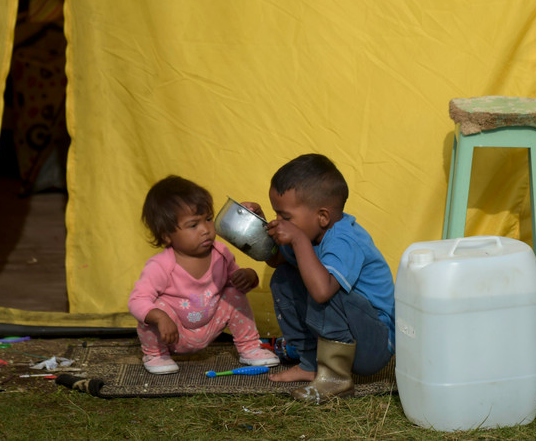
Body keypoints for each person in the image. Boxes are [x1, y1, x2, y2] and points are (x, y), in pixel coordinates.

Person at [243, 154, 395, 403]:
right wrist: (259, 226)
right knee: (283, 277)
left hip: (374, 345)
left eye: (286, 217)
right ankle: (311, 363)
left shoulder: (345, 240)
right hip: (349, 335)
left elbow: (322, 291)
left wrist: (298, 239)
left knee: (324, 289)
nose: (280, 222)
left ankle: (336, 379)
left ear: (322, 217)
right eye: (276, 215)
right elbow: (276, 260)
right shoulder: (310, 234)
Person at [128, 175, 279, 375]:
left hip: (208, 327)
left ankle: (249, 347)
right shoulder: (161, 265)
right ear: (166, 235)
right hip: (172, 332)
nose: (205, 230)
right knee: (152, 310)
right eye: (193, 225)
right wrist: (159, 317)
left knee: (233, 295)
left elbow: (236, 283)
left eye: (208, 219)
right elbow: (137, 300)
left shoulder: (221, 253)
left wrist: (248, 276)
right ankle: (155, 355)